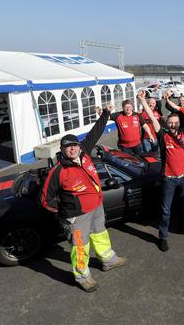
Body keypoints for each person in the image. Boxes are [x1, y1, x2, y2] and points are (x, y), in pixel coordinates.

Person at [40, 104, 128, 292]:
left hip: (96, 207)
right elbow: (46, 199)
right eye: (67, 147)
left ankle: (108, 259)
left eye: (74, 146)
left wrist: (106, 114)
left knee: (100, 234)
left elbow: (95, 132)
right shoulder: (58, 171)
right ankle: (82, 277)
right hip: (77, 216)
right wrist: (64, 212)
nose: (72, 149)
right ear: (62, 150)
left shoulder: (85, 153)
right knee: (80, 247)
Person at [140, 92, 184, 252]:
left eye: (175, 122)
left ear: (179, 123)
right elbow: (153, 118)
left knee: (182, 205)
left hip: (183, 177)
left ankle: (183, 226)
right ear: (167, 124)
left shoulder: (183, 134)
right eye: (170, 122)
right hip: (168, 179)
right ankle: (163, 236)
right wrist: (142, 100)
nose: (173, 125)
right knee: (165, 209)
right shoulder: (163, 135)